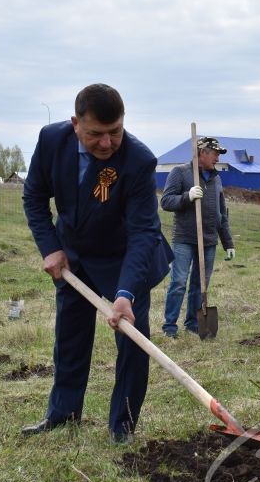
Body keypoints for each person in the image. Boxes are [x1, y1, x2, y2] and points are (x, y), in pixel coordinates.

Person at [21, 83, 173, 444]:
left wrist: (125, 294)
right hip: (73, 255)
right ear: (76, 123)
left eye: (114, 132)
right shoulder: (51, 140)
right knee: (70, 336)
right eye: (95, 134)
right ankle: (63, 413)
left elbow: (143, 232)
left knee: (132, 344)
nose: (106, 143)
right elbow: (34, 198)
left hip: (125, 259)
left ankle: (122, 426)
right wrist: (51, 247)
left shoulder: (138, 160)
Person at [159, 136, 235, 338]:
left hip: (209, 241)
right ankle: (170, 327)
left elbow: (222, 214)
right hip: (184, 238)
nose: (218, 158)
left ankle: (192, 323)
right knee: (179, 283)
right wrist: (188, 196)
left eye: (219, 154)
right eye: (215, 153)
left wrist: (228, 243)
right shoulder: (181, 173)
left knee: (200, 285)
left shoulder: (217, 180)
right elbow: (166, 201)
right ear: (202, 153)